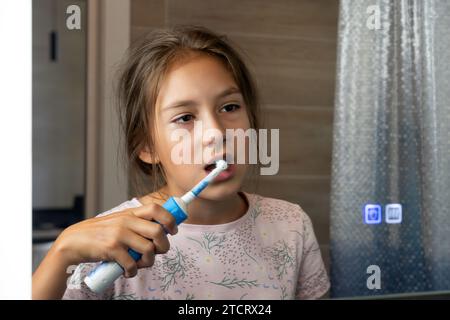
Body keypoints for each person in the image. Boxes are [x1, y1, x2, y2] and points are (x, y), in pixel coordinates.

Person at [32, 25, 330, 300]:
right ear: (147, 147)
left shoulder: (292, 225)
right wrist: (62, 251)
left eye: (230, 107)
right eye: (185, 117)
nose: (216, 133)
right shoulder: (113, 243)